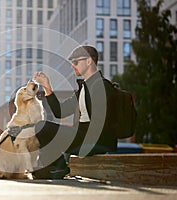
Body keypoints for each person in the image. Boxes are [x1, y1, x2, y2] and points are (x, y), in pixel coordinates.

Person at [32, 45, 118, 179]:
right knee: (42, 126)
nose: (73, 66)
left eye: (76, 62)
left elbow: (101, 123)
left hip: (97, 141)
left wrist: (69, 134)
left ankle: (56, 167)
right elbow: (59, 112)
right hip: (83, 137)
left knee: (43, 127)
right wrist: (47, 87)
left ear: (89, 61)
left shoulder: (102, 87)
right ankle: (54, 167)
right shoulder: (83, 89)